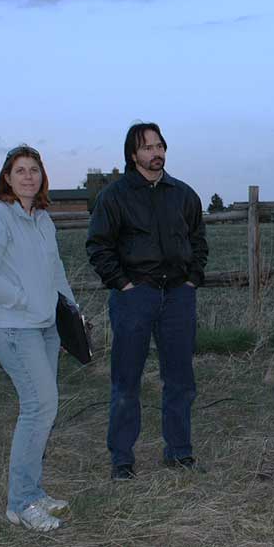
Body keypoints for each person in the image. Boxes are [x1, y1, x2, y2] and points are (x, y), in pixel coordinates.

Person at [86, 122, 208, 480]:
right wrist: (122, 284)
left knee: (181, 380)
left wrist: (191, 280)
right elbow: (98, 246)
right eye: (147, 147)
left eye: (160, 146)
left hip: (177, 298)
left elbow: (199, 242)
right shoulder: (114, 196)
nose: (156, 153)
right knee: (127, 380)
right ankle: (122, 458)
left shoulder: (184, 195)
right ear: (132, 155)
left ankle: (179, 451)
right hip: (134, 297)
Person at [0, 145, 75, 531]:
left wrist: (70, 317)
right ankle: (20, 503)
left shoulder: (42, 219)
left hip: (47, 327)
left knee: (43, 408)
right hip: (13, 326)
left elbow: (56, 270)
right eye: (20, 170)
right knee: (39, 406)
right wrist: (25, 301)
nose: (28, 176)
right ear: (7, 177)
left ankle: (32, 490)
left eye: (35, 169)